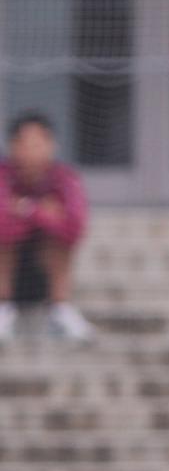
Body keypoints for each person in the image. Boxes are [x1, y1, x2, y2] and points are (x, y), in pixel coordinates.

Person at [0, 113, 94, 343]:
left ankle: (61, 308)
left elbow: (73, 228)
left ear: (52, 145)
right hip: (8, 265)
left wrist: (26, 208)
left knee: (58, 239)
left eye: (39, 143)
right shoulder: (3, 176)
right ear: (13, 146)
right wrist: (44, 212)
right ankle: (3, 307)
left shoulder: (65, 178)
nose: (33, 151)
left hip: (44, 268)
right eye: (26, 144)